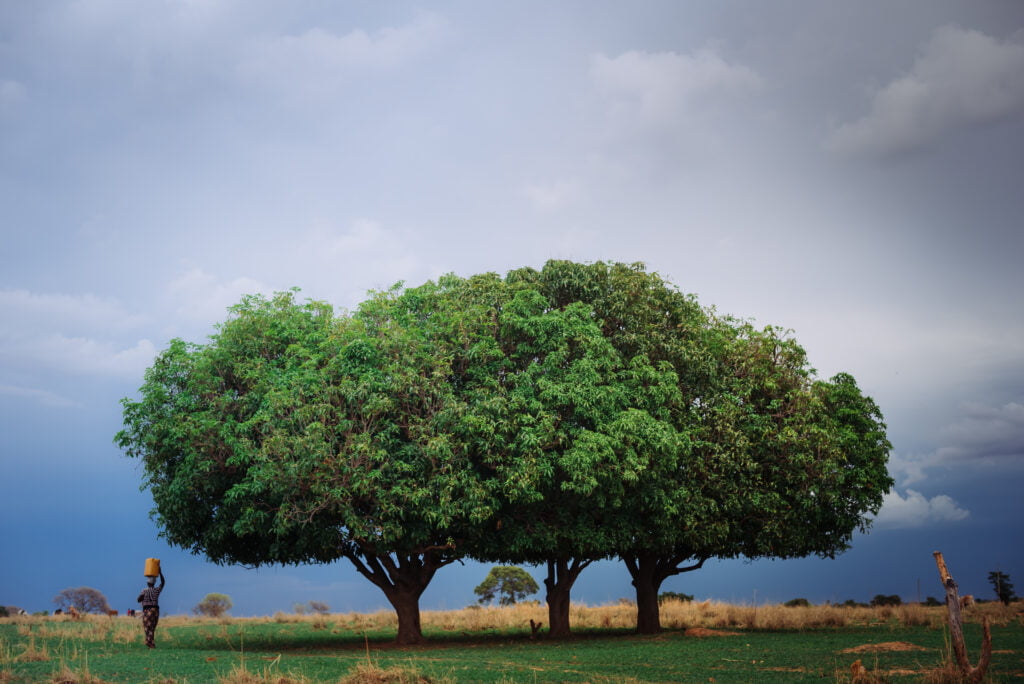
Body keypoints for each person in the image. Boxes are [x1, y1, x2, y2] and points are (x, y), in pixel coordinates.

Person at [136, 568, 165, 648]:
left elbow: (138, 600)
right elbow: (163, 583)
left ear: (147, 583)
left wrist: (141, 596)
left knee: (147, 626)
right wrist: (160, 572)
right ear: (154, 583)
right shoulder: (157, 590)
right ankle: (151, 643)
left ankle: (150, 643)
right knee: (152, 626)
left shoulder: (144, 591)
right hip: (155, 610)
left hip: (147, 610)